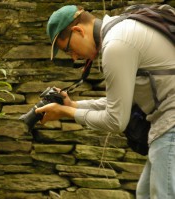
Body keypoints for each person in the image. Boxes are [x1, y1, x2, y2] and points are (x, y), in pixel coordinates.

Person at [35, 5, 175, 199]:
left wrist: (66, 113)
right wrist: (73, 105)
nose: (74, 57)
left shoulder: (116, 45)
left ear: (78, 31)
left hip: (171, 123)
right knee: (144, 193)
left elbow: (116, 120)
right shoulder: (122, 29)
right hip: (167, 122)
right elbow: (117, 102)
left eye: (68, 50)